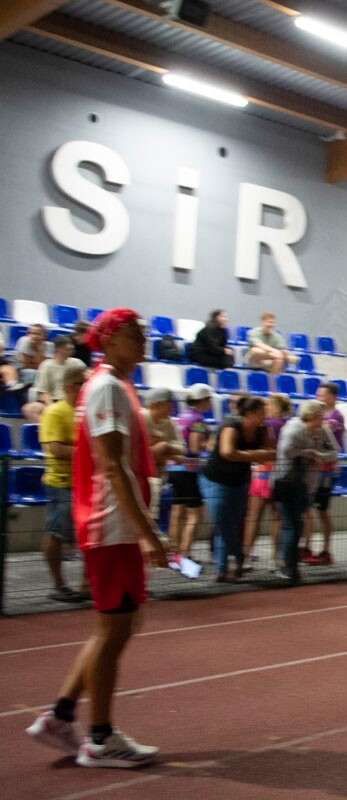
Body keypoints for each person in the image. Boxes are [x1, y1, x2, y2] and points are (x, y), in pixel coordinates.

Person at [25, 308, 166, 768]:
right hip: (112, 524)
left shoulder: (112, 385)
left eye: (143, 333)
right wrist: (146, 532)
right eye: (132, 334)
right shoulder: (106, 386)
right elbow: (112, 465)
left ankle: (62, 715)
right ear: (108, 340)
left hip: (114, 523)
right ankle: (100, 739)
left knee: (119, 626)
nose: (143, 341)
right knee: (114, 630)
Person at [199, 396, 275, 582]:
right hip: (215, 479)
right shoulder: (231, 425)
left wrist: (246, 455)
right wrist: (255, 455)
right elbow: (227, 452)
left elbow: (272, 452)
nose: (264, 417)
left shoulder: (262, 429)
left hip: (240, 481)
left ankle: (222, 569)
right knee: (222, 520)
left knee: (232, 523)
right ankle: (239, 556)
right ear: (249, 414)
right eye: (260, 414)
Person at [37, 364, 90, 603]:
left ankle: (86, 584)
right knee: (56, 533)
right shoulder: (55, 412)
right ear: (71, 386)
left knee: (87, 534)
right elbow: (55, 449)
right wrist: (90, 453)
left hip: (83, 483)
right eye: (83, 383)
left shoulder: (84, 413)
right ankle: (59, 585)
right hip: (61, 483)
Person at [272, 400, 339, 583]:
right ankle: (287, 565)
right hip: (287, 483)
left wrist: (321, 456)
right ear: (311, 416)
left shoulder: (322, 431)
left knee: (297, 526)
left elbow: (335, 452)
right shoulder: (293, 428)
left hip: (308, 485)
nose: (322, 420)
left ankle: (290, 565)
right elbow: (286, 451)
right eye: (320, 416)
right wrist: (309, 453)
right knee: (290, 526)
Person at [244, 394, 291, 568]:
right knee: (276, 517)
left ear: (277, 408)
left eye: (270, 405)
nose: (266, 408)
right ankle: (275, 558)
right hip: (279, 472)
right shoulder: (288, 425)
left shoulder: (266, 425)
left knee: (254, 517)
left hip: (263, 471)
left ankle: (246, 555)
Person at [167, 384, 212, 559]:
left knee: (177, 512)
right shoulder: (198, 421)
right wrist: (207, 445)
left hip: (175, 468)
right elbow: (194, 447)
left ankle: (173, 550)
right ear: (203, 400)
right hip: (188, 470)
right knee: (194, 514)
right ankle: (185, 553)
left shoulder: (182, 416)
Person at [302, 382, 343, 566]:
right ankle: (307, 546)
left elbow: (325, 432)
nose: (319, 398)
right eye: (318, 395)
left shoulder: (335, 417)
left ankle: (326, 550)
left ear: (332, 397)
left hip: (326, 472)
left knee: (322, 511)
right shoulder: (321, 416)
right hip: (314, 470)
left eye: (322, 395)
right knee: (308, 510)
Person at [141, 387, 184, 531]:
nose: (171, 409)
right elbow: (137, 451)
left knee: (155, 518)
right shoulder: (141, 418)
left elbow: (182, 452)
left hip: (159, 477)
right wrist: (157, 451)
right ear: (156, 404)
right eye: (168, 405)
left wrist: (165, 447)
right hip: (141, 477)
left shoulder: (169, 423)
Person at [24, 335, 87, 422]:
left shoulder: (77, 363)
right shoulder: (46, 365)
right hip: (53, 401)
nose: (70, 352)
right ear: (58, 349)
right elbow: (44, 392)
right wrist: (52, 408)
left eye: (71, 349)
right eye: (67, 349)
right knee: (30, 409)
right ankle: (47, 428)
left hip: (72, 401)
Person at [245, 311, 295, 381]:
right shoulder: (253, 332)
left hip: (269, 360)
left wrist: (287, 355)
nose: (271, 324)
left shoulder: (277, 336)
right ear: (263, 322)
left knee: (280, 358)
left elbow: (283, 349)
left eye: (273, 322)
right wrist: (275, 351)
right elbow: (258, 345)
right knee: (255, 350)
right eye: (269, 322)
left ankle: (272, 380)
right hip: (254, 360)